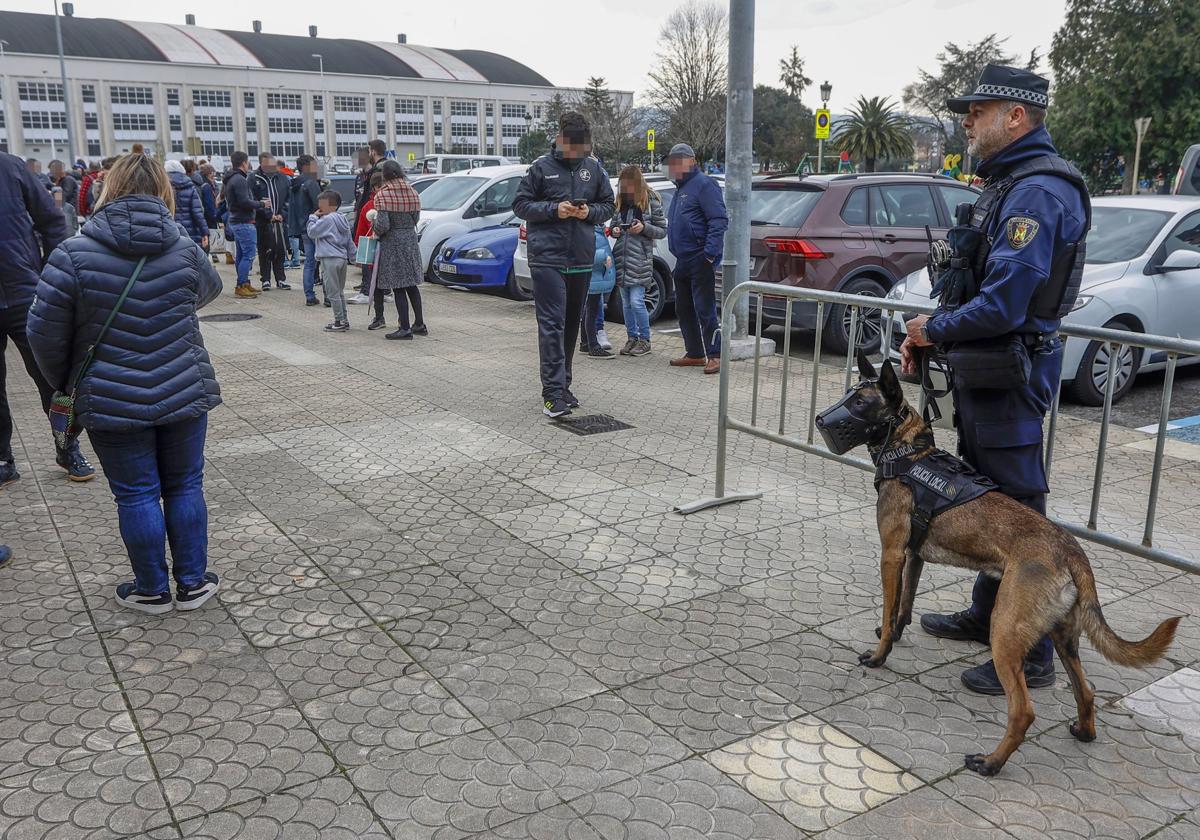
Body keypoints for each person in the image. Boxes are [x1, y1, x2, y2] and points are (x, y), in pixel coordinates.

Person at [901, 64, 1090, 696]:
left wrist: (935, 329)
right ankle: (990, 615)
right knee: (989, 497)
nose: (966, 121)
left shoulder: (1036, 192)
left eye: (977, 111)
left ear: (1016, 115)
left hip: (1010, 365)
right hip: (988, 366)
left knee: (1016, 507)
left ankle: (1031, 649)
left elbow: (1007, 303)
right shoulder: (1007, 183)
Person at [27, 152, 224, 614]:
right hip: (182, 387)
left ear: (106, 188)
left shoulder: (73, 253)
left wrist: (68, 380)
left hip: (110, 396)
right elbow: (210, 290)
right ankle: (193, 583)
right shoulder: (181, 245)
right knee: (185, 486)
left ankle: (151, 589)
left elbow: (42, 332)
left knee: (135, 493)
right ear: (164, 191)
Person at [0, 150, 94, 486]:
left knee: (53, 379)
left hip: (23, 292)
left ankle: (67, 447)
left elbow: (52, 220)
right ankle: (3, 459)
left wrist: (53, 270)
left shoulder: (10, 166)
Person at [513, 111, 615, 418]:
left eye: (581, 145)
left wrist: (590, 213)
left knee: (572, 324)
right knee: (551, 324)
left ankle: (564, 385)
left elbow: (608, 204)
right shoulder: (541, 168)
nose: (576, 151)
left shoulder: (593, 168)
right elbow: (520, 204)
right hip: (547, 257)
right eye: (571, 144)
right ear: (560, 138)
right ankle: (552, 393)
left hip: (581, 259)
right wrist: (554, 209)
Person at [666, 143, 727, 375]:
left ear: (691, 160)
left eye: (677, 161)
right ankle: (694, 352)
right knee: (684, 308)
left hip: (700, 257)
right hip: (682, 259)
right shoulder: (681, 188)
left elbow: (718, 220)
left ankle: (715, 355)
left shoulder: (704, 184)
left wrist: (709, 254)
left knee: (705, 308)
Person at [611, 165, 666, 357]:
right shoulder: (620, 202)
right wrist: (615, 230)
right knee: (626, 302)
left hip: (640, 259)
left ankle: (645, 339)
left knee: (636, 301)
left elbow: (661, 230)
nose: (625, 189)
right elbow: (613, 227)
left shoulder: (650, 201)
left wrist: (643, 228)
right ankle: (631, 337)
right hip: (622, 258)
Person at [367, 161, 426, 340]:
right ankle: (419, 324)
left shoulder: (383, 195)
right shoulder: (412, 191)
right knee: (411, 284)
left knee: (398, 285)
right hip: (410, 239)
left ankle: (405, 328)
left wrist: (374, 224)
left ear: (385, 175)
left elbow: (383, 225)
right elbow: (416, 218)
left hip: (393, 242)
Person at [307, 190, 354, 332]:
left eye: (322, 203)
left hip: (329, 258)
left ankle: (339, 321)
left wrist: (313, 217)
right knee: (339, 291)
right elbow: (349, 241)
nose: (319, 206)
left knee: (332, 292)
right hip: (341, 258)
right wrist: (353, 256)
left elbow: (312, 232)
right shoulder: (342, 218)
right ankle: (344, 319)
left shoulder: (327, 219)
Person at [349, 140, 388, 303]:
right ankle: (378, 290)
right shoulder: (364, 174)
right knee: (372, 258)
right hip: (366, 213)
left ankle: (369, 291)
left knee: (368, 255)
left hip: (370, 217)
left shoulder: (379, 170)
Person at [223, 151, 265, 298]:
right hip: (244, 221)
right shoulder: (239, 180)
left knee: (241, 255)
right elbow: (244, 202)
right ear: (244, 163)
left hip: (236, 220)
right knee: (248, 255)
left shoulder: (231, 179)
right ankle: (241, 285)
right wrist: (261, 204)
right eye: (247, 162)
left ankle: (244, 283)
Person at [251, 152, 291, 290]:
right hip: (263, 222)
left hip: (280, 222)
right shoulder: (254, 178)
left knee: (280, 249)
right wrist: (268, 215)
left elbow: (287, 199)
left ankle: (281, 279)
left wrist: (282, 214)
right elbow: (253, 200)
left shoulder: (282, 178)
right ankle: (265, 279)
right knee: (265, 251)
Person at [288, 154, 324, 305]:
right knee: (324, 260)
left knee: (309, 262)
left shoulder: (295, 184)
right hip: (316, 225)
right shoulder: (310, 182)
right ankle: (329, 296)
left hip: (303, 227)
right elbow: (321, 204)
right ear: (306, 167)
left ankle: (309, 296)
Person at [580, 228, 615, 359]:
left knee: (588, 309)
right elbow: (586, 253)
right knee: (591, 310)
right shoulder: (589, 229)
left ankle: (585, 342)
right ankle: (593, 346)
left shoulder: (595, 228)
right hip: (594, 276)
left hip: (595, 276)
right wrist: (603, 257)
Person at [165, 160, 208, 249]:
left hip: (169, 230)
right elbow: (197, 212)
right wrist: (204, 232)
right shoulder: (190, 186)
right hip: (190, 231)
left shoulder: (163, 187)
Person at [48, 160, 79, 236]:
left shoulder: (68, 180)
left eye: (52, 170)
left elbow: (63, 197)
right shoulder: (60, 181)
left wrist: (51, 194)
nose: (51, 173)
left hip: (68, 213)